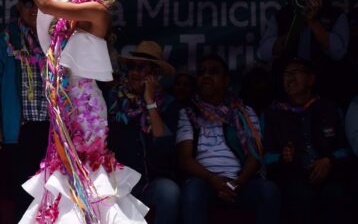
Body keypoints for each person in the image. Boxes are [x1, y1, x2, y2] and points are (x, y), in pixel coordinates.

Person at [0, 0, 147, 223]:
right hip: (63, 106)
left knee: (86, 177)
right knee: (63, 176)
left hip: (84, 109)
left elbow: (45, 3)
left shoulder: (97, 10)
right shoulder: (73, 6)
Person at [176, 55, 280, 224]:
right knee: (192, 191)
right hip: (205, 182)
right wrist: (213, 179)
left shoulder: (245, 112)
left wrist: (239, 182)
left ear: (226, 81)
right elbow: (185, 159)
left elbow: (256, 155)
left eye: (213, 72)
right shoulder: (188, 113)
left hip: (241, 183)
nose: (206, 76)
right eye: (202, 73)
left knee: (268, 190)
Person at [0, 0, 49, 221]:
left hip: (53, 130)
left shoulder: (56, 37)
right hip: (20, 130)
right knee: (24, 196)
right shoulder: (7, 38)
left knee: (53, 194)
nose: (34, 8)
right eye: (27, 3)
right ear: (18, 8)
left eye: (39, 3)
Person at [262, 58, 352, 223]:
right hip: (293, 178)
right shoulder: (272, 113)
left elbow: (347, 149)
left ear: (311, 79)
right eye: (286, 74)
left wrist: (329, 160)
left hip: (329, 175)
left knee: (336, 194)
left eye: (296, 72)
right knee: (301, 198)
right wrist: (283, 157)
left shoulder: (329, 108)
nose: (290, 78)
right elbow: (264, 157)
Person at [106, 41, 180, 224]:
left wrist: (149, 101)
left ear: (154, 75)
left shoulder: (168, 103)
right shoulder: (114, 98)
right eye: (132, 67)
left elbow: (164, 147)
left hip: (149, 182)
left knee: (169, 191)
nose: (134, 73)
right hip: (117, 182)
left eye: (142, 68)